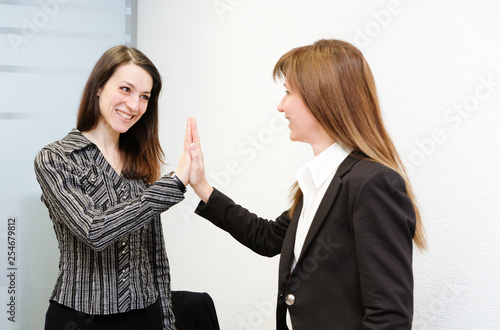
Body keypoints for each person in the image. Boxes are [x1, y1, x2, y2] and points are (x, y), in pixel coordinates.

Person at [187, 39, 426, 329]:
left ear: (322, 97)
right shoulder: (318, 182)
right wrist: (201, 185)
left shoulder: (372, 184)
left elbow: (389, 318)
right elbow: (267, 237)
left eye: (288, 92)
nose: (280, 105)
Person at [34, 45, 192, 330]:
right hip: (79, 318)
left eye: (144, 97)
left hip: (146, 316)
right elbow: (94, 230)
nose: (134, 105)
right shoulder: (56, 158)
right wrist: (173, 184)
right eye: (125, 89)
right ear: (99, 87)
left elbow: (155, 254)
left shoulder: (140, 162)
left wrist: (167, 322)